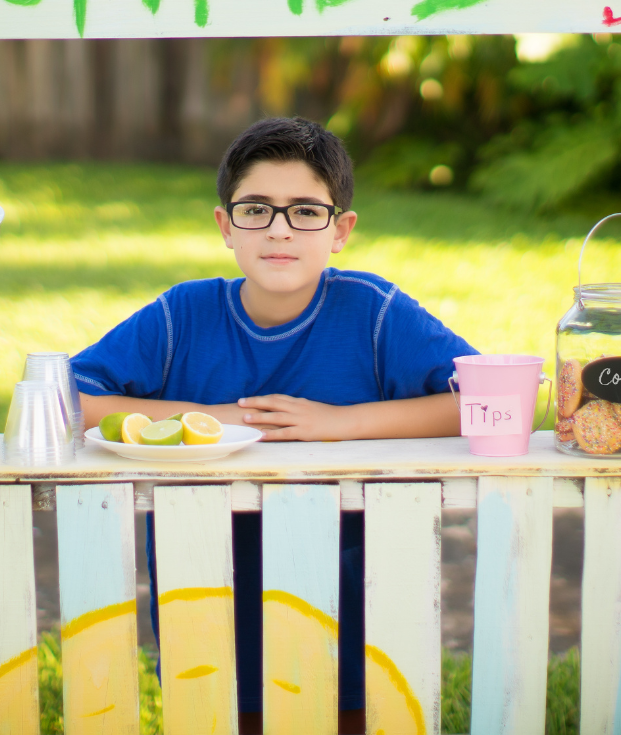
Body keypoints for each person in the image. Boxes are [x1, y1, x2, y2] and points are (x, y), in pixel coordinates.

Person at [71, 116, 476, 735]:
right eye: (256, 209)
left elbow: (481, 400)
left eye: (306, 211)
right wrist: (219, 420)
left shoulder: (374, 312)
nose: (280, 229)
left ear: (341, 230)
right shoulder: (184, 314)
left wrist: (338, 424)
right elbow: (68, 398)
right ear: (224, 225)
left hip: (353, 594)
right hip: (207, 589)